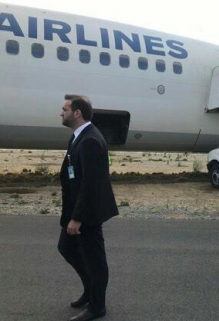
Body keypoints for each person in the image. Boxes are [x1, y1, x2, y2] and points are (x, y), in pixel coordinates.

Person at [58, 94, 119, 321]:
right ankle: (89, 290)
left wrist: (78, 218)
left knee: (95, 260)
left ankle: (97, 306)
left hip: (88, 214)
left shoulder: (90, 140)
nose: (60, 113)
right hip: (75, 210)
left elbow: (91, 185)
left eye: (64, 109)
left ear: (77, 113)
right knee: (66, 247)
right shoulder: (78, 137)